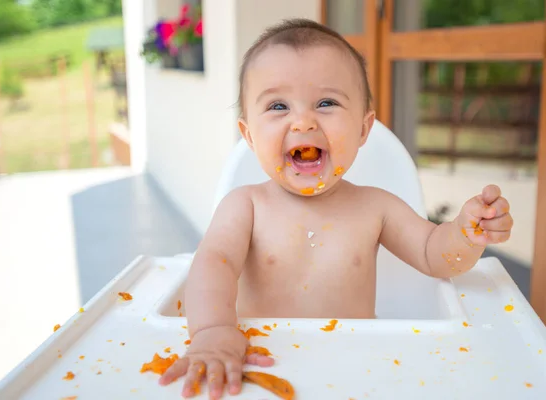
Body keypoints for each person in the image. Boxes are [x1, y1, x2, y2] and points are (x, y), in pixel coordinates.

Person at [159, 18, 514, 398]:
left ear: (363, 131)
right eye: (278, 105)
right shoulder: (245, 205)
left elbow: (435, 257)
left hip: (359, 369)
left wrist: (465, 233)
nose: (303, 121)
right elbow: (213, 263)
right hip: (260, 363)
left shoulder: (376, 207)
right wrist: (213, 331)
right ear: (248, 135)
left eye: (326, 103)